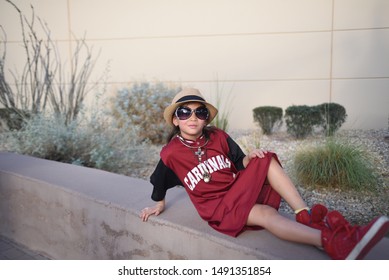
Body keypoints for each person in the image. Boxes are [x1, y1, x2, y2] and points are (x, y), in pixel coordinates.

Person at [140, 88, 389, 260]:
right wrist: (158, 204)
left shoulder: (218, 137)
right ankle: (332, 242)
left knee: (266, 158)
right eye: (185, 112)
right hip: (217, 208)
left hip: (236, 191)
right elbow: (159, 179)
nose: (193, 117)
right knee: (266, 214)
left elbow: (239, 162)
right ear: (175, 120)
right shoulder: (171, 153)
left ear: (205, 118)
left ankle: (305, 215)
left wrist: (252, 156)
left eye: (199, 112)